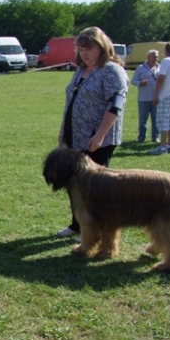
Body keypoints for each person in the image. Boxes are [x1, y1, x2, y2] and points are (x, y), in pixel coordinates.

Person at [56, 26, 128, 241]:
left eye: (89, 48)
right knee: (75, 185)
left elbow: (116, 105)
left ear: (102, 47)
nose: (84, 53)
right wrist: (64, 133)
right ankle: (77, 224)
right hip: (73, 137)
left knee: (95, 188)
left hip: (96, 140)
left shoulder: (111, 71)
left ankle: (95, 229)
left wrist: (100, 135)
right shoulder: (81, 70)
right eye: (81, 49)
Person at [150, 42, 170, 155]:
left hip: (165, 94)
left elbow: (161, 79)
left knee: (163, 120)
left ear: (166, 50)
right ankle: (169, 144)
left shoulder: (166, 61)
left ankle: (163, 147)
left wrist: (155, 95)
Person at [131, 50, 160, 142]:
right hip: (143, 98)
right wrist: (140, 83)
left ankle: (155, 137)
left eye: (157, 56)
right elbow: (133, 81)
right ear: (148, 57)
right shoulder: (140, 68)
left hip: (155, 97)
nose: (155, 58)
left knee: (156, 119)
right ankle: (141, 137)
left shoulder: (159, 67)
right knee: (143, 119)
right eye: (154, 56)